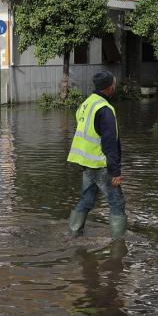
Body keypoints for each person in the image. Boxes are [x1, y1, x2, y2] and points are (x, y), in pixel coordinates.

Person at [67, 71, 126, 242]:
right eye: (114, 84)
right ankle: (119, 242)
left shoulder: (86, 104)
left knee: (87, 199)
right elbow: (110, 144)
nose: (115, 86)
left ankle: (73, 233)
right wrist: (115, 172)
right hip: (101, 165)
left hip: (86, 163)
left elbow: (84, 130)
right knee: (116, 203)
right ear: (109, 88)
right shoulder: (105, 109)